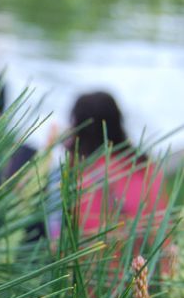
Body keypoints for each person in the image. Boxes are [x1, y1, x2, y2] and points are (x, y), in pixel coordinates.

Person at [68, 92, 168, 241]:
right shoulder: (145, 167)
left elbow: (71, 241)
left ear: (79, 128)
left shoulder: (80, 179)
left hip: (102, 263)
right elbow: (164, 230)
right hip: (151, 262)